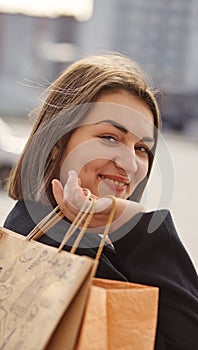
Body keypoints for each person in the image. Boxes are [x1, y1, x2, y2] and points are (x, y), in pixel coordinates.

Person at [4, 53, 198, 349]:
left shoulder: (31, 233)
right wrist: (136, 223)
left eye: (142, 148)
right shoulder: (64, 256)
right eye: (110, 137)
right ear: (56, 143)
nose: (130, 164)